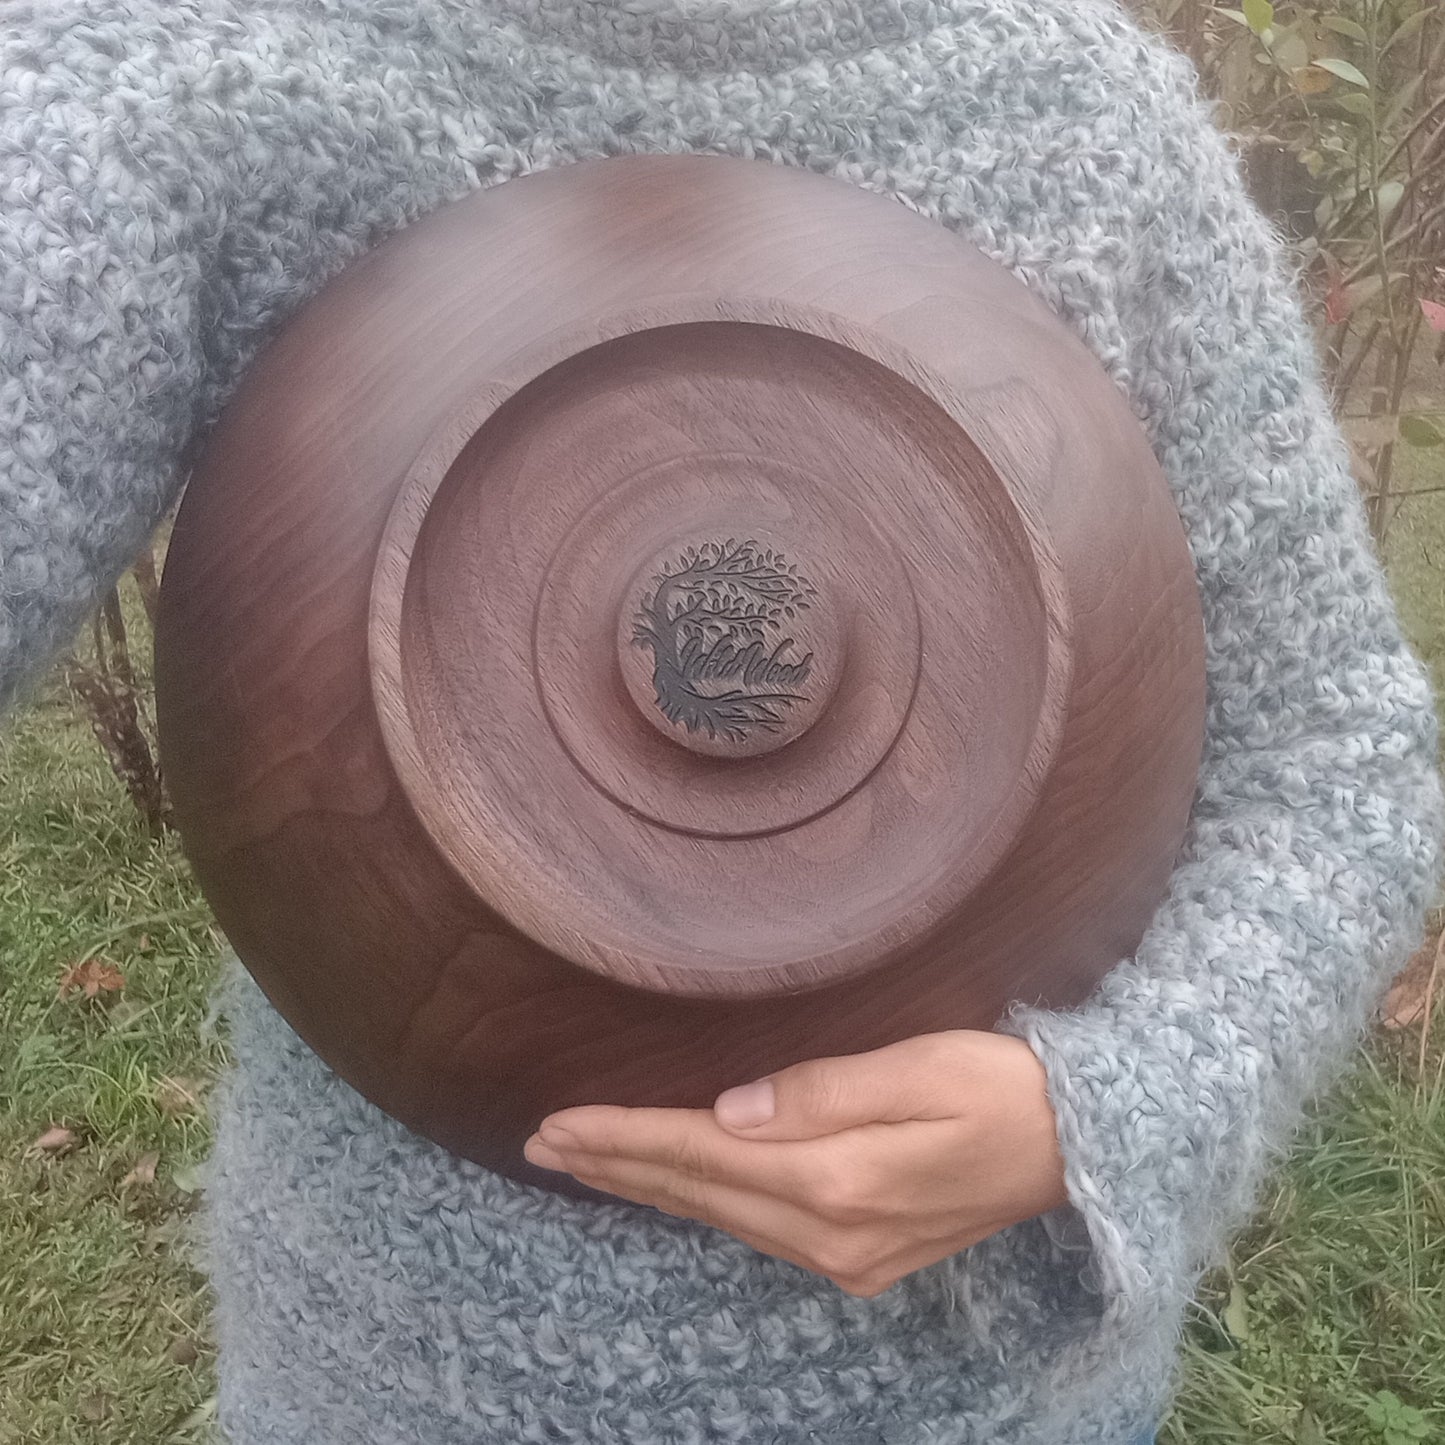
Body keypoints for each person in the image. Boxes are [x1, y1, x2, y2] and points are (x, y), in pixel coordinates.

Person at [1, 1, 1440, 1441]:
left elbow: (1341, 745)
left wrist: (1109, 1109)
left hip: (985, 1404)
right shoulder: (221, 66)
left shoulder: (1080, 117)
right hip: (399, 1381)